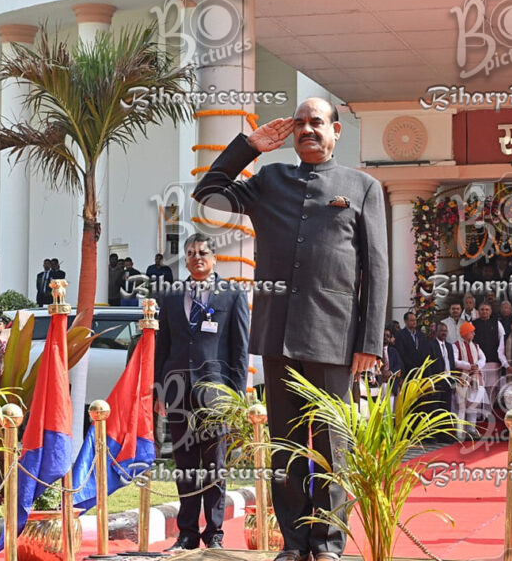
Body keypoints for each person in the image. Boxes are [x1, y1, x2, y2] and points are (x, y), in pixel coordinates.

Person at [193, 98, 388, 561]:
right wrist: (249, 146)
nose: (306, 130)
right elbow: (209, 192)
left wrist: (369, 342)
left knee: (332, 446)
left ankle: (328, 545)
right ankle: (295, 544)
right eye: (299, 123)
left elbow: (376, 269)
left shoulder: (362, 187)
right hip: (277, 335)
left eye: (316, 123)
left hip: (334, 339)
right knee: (285, 447)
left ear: (335, 131)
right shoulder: (269, 181)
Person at [154, 234, 249, 551]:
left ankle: (215, 531)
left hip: (216, 392)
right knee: (184, 464)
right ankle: (187, 532)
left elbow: (239, 351)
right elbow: (162, 347)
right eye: (191, 253)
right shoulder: (170, 297)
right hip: (178, 391)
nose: (197, 257)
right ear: (185, 258)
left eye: (203, 252)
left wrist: (237, 396)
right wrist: (159, 390)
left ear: (214, 258)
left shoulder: (232, 295)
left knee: (214, 464)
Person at [453, 322, 486, 441]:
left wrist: (477, 365)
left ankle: (471, 430)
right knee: (462, 406)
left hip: (475, 378)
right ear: (466, 333)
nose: (474, 334)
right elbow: (455, 361)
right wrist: (469, 366)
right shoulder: (456, 345)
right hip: (462, 378)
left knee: (473, 405)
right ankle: (459, 432)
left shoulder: (476, 346)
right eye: (472, 332)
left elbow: (483, 358)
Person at [472, 302, 504, 413]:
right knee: (479, 388)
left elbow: (502, 341)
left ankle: (488, 412)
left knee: (491, 388)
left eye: (487, 309)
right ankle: (478, 412)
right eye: (482, 309)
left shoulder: (497, 323)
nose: (484, 311)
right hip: (478, 362)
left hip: (493, 360)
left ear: (490, 311)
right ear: (478, 311)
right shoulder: (473, 324)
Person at [427, 322, 458, 415]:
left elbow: (452, 364)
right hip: (437, 381)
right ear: (436, 332)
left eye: (445, 331)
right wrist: (431, 382)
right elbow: (428, 365)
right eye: (441, 331)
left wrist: (454, 381)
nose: (444, 333)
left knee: (446, 409)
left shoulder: (449, 346)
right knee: (435, 409)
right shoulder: (430, 345)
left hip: (448, 381)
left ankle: (444, 429)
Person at [393, 312, 429, 383]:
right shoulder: (400, 335)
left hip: (421, 371)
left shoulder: (421, 335)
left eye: (415, 320)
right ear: (405, 321)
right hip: (407, 371)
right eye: (412, 320)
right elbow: (401, 354)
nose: (414, 322)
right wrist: (413, 368)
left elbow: (425, 352)